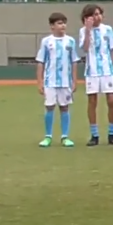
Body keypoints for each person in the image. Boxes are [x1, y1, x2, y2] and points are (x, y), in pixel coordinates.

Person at [78, 3, 113, 146]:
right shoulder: (83, 31)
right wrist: (88, 30)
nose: (97, 17)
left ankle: (111, 133)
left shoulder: (107, 30)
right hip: (92, 71)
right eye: (94, 15)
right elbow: (84, 48)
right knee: (92, 101)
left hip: (107, 70)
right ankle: (94, 135)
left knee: (111, 100)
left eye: (99, 14)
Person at [37, 12, 79, 148]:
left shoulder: (70, 41)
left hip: (65, 82)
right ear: (52, 26)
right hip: (50, 81)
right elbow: (41, 62)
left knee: (64, 107)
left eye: (64, 23)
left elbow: (74, 61)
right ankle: (48, 136)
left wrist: (74, 80)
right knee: (49, 107)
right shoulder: (46, 42)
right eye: (59, 23)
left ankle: (65, 136)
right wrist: (40, 81)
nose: (63, 26)